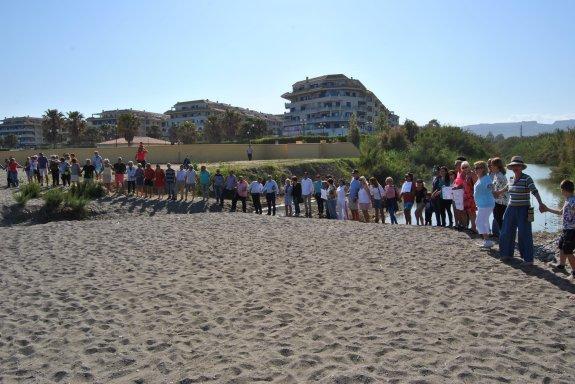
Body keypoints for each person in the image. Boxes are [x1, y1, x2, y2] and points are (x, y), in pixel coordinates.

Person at [499, 156, 547, 265]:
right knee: (506, 231)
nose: (515, 167)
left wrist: (540, 203)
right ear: (511, 167)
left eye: (518, 165)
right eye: (513, 166)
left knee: (524, 233)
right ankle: (506, 254)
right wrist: (497, 193)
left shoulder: (527, 178)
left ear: (521, 167)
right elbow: (506, 188)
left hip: (524, 208)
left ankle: (528, 259)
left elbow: (534, 191)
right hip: (511, 208)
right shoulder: (511, 179)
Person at [544, 180, 575, 279]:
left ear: (564, 190)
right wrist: (547, 209)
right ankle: (561, 266)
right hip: (566, 230)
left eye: (561, 189)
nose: (561, 192)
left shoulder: (573, 201)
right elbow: (560, 212)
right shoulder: (567, 199)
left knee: (568, 251)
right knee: (561, 245)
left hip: (572, 231)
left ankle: (574, 272)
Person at [473, 161, 496, 249]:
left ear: (483, 169)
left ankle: (487, 240)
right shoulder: (480, 178)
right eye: (475, 168)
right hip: (482, 204)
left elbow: (491, 188)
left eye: (477, 168)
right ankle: (487, 241)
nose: (475, 170)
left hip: (486, 204)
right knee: (484, 221)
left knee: (479, 222)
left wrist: (493, 191)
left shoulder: (486, 178)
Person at [489, 157, 508, 237]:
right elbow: (495, 187)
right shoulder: (496, 175)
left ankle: (505, 234)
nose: (490, 166)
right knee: (497, 217)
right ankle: (503, 234)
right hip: (497, 200)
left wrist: (498, 192)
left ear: (496, 166)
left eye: (492, 165)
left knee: (498, 218)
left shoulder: (500, 175)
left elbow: (508, 187)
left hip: (502, 201)